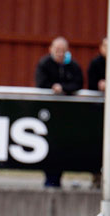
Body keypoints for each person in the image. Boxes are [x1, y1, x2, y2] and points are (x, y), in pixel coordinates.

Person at [35, 37, 83, 188]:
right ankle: (50, 180)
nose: (60, 53)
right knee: (49, 147)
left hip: (66, 116)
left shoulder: (73, 66)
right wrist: (53, 87)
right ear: (51, 49)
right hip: (48, 115)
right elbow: (41, 83)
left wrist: (63, 88)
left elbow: (78, 83)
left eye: (63, 50)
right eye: (57, 50)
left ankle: (59, 179)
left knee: (62, 147)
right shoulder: (44, 64)